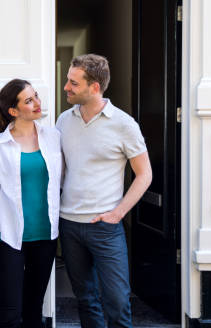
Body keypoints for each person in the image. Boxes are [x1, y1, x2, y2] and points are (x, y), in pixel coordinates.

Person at [56, 54, 152, 328]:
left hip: (105, 227)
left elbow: (145, 174)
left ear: (94, 87)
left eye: (73, 82)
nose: (66, 87)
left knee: (118, 300)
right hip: (70, 225)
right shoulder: (64, 121)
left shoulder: (124, 124)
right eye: (68, 81)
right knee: (85, 298)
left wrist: (118, 212)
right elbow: (59, 171)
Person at [0, 79, 62, 328]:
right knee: (11, 312)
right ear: (13, 111)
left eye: (36, 96)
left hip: (46, 236)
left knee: (34, 308)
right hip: (9, 238)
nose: (37, 103)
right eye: (29, 100)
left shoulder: (54, 137)